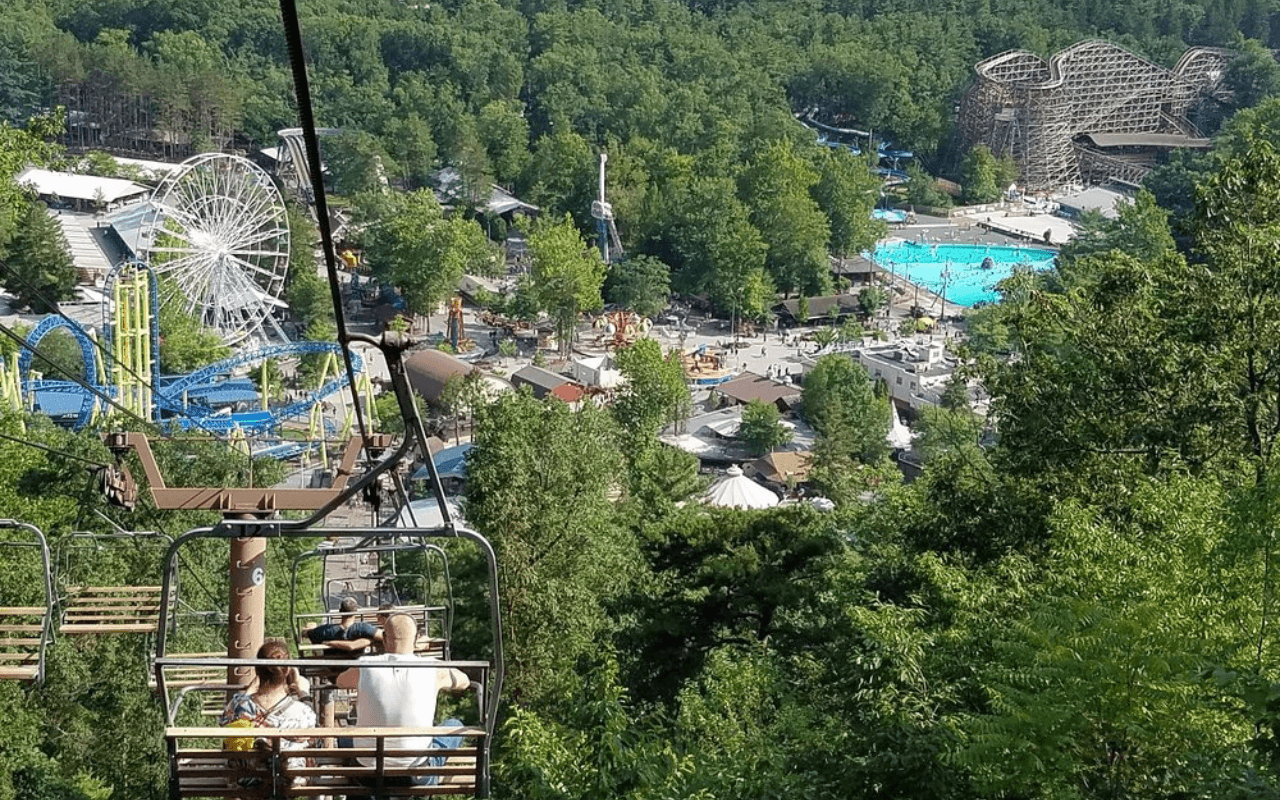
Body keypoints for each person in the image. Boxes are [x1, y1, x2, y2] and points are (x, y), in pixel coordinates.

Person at [336, 614, 471, 786]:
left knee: (346, 736)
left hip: (368, 774)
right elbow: (464, 681)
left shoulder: (364, 665)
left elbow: (341, 681)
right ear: (416, 640)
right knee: (455, 725)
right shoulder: (434, 669)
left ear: (384, 639)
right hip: (415, 775)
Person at [220, 640, 316, 788]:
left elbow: (224, 720)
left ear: (257, 671)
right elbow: (310, 728)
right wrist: (303, 692)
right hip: (285, 784)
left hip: (246, 782)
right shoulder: (303, 712)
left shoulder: (238, 705)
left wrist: (249, 692)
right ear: (287, 671)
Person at [305, 597, 381, 653]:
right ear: (356, 613)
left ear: (340, 612)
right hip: (356, 667)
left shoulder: (325, 630)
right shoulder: (364, 629)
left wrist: (312, 628)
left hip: (333, 667)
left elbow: (305, 633)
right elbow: (383, 636)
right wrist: (370, 641)